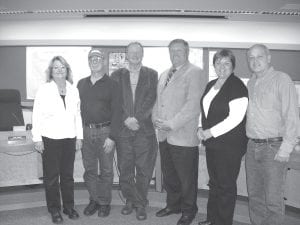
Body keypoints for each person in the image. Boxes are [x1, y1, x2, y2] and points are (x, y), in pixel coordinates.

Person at [152, 39, 206, 225]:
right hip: (164, 135)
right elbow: (159, 102)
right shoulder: (164, 74)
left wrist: (171, 124)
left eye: (179, 51)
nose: (175, 54)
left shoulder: (195, 73)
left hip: (183, 135)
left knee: (187, 178)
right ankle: (173, 205)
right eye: (172, 51)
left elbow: (193, 106)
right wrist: (155, 120)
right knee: (170, 176)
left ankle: (189, 210)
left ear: (187, 51)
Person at [245, 44, 299, 225]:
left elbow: (292, 115)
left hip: (273, 147)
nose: (255, 61)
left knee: (273, 200)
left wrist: (286, 148)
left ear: (269, 57)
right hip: (252, 146)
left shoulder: (281, 79)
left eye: (259, 56)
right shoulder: (250, 83)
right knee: (255, 196)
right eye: (251, 58)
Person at [197, 49, 248, 225]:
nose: (222, 67)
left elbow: (235, 118)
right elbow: (205, 110)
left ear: (233, 66)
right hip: (213, 144)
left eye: (226, 63)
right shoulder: (211, 84)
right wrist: (200, 127)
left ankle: (223, 222)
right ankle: (212, 218)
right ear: (214, 65)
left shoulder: (237, 85)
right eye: (218, 63)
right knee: (215, 183)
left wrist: (209, 132)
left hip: (229, 146)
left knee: (225, 186)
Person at [32, 56, 83, 224]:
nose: (59, 70)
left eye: (62, 67)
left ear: (67, 70)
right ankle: (54, 209)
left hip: (69, 138)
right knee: (52, 177)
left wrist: (79, 137)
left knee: (68, 176)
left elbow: (78, 116)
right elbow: (37, 115)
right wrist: (37, 138)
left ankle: (69, 207)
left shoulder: (73, 90)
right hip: (50, 139)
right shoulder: (44, 90)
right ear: (51, 71)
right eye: (56, 68)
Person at [111, 42, 158, 221]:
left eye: (138, 52)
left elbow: (151, 98)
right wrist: (126, 119)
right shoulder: (116, 75)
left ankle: (140, 204)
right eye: (132, 52)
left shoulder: (152, 74)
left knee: (144, 170)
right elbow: (115, 101)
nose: (135, 55)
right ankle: (130, 200)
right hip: (124, 131)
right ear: (126, 54)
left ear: (143, 54)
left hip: (143, 130)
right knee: (125, 169)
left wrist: (136, 118)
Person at [77, 49, 121, 218]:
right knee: (89, 169)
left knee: (106, 170)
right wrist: (78, 134)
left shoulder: (113, 84)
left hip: (105, 132)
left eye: (98, 58)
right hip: (86, 131)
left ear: (103, 61)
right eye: (91, 58)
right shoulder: (81, 84)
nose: (94, 60)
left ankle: (104, 202)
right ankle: (94, 200)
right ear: (88, 62)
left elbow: (118, 112)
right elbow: (76, 111)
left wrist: (112, 137)